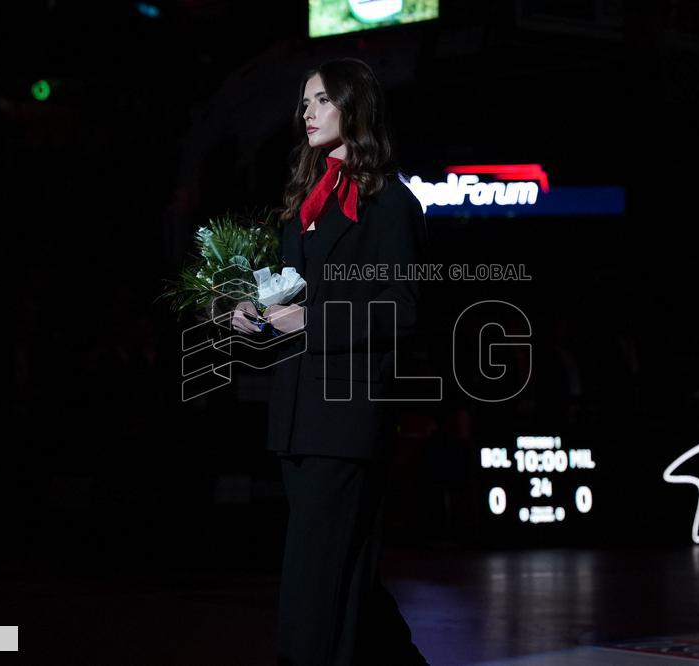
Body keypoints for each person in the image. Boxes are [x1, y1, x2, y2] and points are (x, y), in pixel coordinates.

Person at [232, 58, 430, 665]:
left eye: (320, 100)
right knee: (344, 574)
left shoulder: (390, 204)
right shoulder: (305, 200)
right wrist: (251, 307)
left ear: (353, 107)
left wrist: (312, 322)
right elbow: (290, 293)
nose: (307, 112)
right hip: (297, 414)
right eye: (305, 102)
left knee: (315, 582)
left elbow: (402, 309)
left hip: (345, 419)